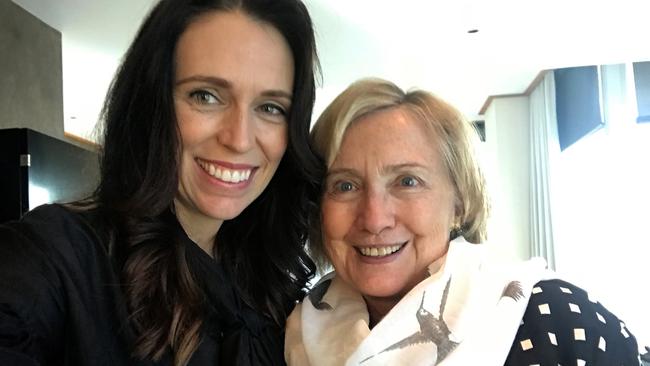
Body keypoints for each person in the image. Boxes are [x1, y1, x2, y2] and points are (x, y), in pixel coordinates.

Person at [0, 0, 321, 364]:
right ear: (152, 103)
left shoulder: (274, 288)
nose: (240, 139)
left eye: (270, 108)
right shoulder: (60, 255)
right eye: (206, 96)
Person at [285, 78, 641, 365]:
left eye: (407, 181)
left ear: (460, 202)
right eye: (345, 185)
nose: (374, 218)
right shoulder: (287, 337)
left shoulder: (559, 319)